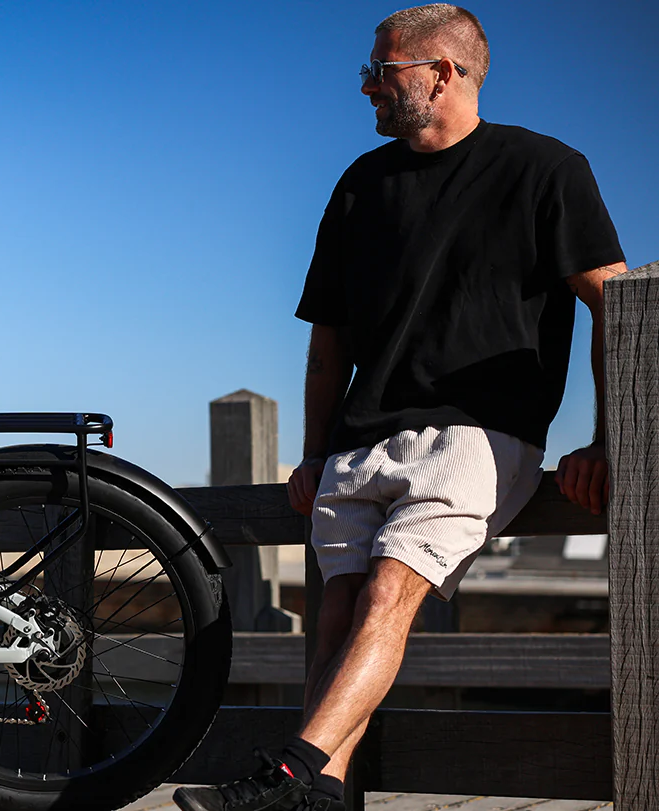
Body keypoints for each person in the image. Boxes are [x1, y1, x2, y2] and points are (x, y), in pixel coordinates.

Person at [172, 5, 627, 811]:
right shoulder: (360, 182)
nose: (366, 88)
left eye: (381, 71)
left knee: (387, 595)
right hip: (359, 436)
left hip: (477, 434)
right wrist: (312, 451)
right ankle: (324, 793)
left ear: (442, 72)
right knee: (335, 613)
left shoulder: (546, 168)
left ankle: (288, 774)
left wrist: (603, 436)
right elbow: (328, 342)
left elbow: (613, 303)